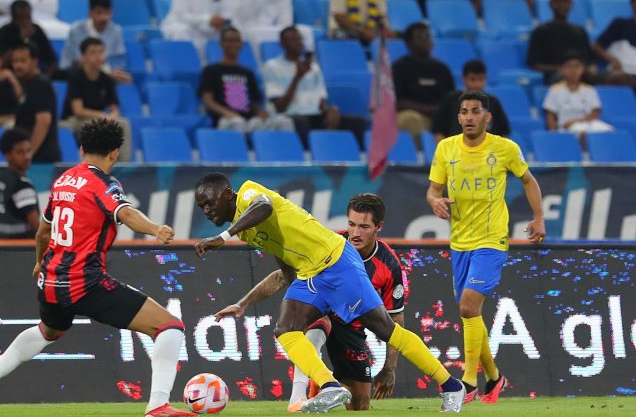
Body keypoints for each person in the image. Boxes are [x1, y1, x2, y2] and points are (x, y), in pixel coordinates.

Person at [0, 118, 196, 417]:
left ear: (81, 149)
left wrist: (39, 262)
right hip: (85, 283)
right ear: (114, 153)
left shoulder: (63, 181)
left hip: (51, 282)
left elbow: (43, 232)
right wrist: (155, 228)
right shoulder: (104, 183)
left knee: (47, 331)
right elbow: (125, 212)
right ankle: (158, 406)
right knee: (169, 326)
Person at [195, 173, 465, 414]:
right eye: (201, 207)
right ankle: (329, 386)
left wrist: (223, 236)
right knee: (286, 329)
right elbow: (282, 253)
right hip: (309, 274)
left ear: (229, 195)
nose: (206, 210)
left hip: (336, 261)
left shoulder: (251, 193)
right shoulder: (246, 232)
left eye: (210, 203)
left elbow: (264, 207)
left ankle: (451, 385)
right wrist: (269, 299)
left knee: (386, 329)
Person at [426, 89, 546, 405]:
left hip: (492, 240)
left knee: (467, 307)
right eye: (464, 111)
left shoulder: (505, 148)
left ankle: (468, 381)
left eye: (475, 111)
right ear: (458, 117)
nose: (468, 117)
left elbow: (528, 180)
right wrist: (435, 201)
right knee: (471, 313)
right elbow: (433, 190)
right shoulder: (446, 148)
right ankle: (494, 377)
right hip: (460, 242)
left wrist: (538, 217)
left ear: (487, 116)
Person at [282, 193, 406, 411]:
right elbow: (282, 276)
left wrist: (390, 368)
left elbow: (395, 317)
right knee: (315, 319)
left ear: (379, 227)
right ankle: (298, 396)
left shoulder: (389, 265)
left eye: (364, 227)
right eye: (351, 224)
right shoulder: (329, 244)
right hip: (323, 315)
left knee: (359, 406)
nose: (355, 233)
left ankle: (320, 381)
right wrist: (244, 303)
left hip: (352, 330)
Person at [262, 26, 368, 147]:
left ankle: (353, 159)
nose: (298, 42)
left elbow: (321, 101)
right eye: (292, 39)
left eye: (299, 39)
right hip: (290, 116)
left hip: (315, 115)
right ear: (282, 44)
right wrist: (297, 77)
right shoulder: (271, 67)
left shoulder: (314, 68)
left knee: (357, 122)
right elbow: (280, 107)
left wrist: (330, 110)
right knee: (302, 122)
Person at [199, 27, 294, 134]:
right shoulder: (211, 70)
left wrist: (261, 113)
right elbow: (208, 101)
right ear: (222, 44)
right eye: (230, 40)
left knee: (283, 122)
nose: (233, 44)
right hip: (225, 119)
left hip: (249, 120)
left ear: (241, 44)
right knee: (238, 123)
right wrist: (228, 114)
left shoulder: (247, 72)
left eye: (236, 40)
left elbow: (253, 103)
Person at [62, 37, 132, 162]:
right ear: (84, 56)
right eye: (93, 52)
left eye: (100, 52)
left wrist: (112, 116)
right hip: (76, 120)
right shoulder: (76, 78)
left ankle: (124, 167)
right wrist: (102, 115)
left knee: (123, 124)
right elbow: (78, 110)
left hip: (99, 119)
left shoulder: (106, 79)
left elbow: (114, 108)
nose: (98, 56)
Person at [393, 22, 455, 139]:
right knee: (410, 119)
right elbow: (397, 103)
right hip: (415, 114)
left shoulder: (442, 68)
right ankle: (421, 155)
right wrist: (428, 109)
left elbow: (451, 98)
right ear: (408, 43)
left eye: (428, 36)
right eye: (421, 37)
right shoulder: (398, 68)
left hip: (440, 117)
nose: (426, 40)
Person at [527, 0, 594, 85]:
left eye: (566, 2)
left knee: (619, 78)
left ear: (571, 4)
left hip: (582, 75)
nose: (562, 5)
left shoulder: (580, 31)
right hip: (556, 75)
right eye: (558, 2)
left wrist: (586, 69)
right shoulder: (540, 31)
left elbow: (589, 61)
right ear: (550, 3)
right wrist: (565, 69)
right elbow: (535, 65)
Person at [59, 0, 131, 83]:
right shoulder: (76, 30)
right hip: (81, 75)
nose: (104, 18)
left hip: (109, 76)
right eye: (99, 13)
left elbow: (118, 60)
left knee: (127, 80)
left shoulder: (116, 30)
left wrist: (115, 72)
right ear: (90, 13)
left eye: (107, 13)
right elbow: (69, 62)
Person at [432, 60, 510, 142]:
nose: (477, 84)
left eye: (481, 79)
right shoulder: (449, 100)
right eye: (473, 79)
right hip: (457, 151)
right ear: (464, 79)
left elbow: (503, 134)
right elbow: (438, 132)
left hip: (488, 152)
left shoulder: (494, 102)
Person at [10, 42, 61, 163]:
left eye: (23, 61)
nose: (18, 65)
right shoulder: (27, 84)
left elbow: (43, 121)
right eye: (15, 61)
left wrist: (29, 154)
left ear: (34, 61)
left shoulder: (40, 84)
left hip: (42, 159)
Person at [543, 53, 614, 138]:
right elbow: (550, 115)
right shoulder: (554, 90)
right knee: (582, 132)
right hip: (566, 128)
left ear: (583, 69)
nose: (573, 70)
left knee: (609, 131)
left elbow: (595, 113)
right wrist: (554, 135)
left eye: (577, 66)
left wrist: (577, 121)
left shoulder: (590, 90)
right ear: (562, 69)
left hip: (588, 124)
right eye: (569, 67)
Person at [0, 128, 39, 240]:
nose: (27, 156)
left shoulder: (3, 179)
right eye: (20, 152)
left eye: (28, 150)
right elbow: (36, 227)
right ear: (8, 155)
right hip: (17, 252)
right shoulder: (22, 185)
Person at [0, 0, 58, 78]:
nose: (25, 21)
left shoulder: (37, 30)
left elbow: (52, 61)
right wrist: (22, 39)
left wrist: (46, 77)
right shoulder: (5, 31)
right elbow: (0, 62)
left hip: (35, 74)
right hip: (11, 74)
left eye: (28, 17)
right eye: (21, 18)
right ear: (13, 18)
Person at [593, 0, 636, 86]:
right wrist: (612, 60)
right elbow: (596, 46)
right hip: (622, 73)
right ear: (632, 3)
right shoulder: (620, 24)